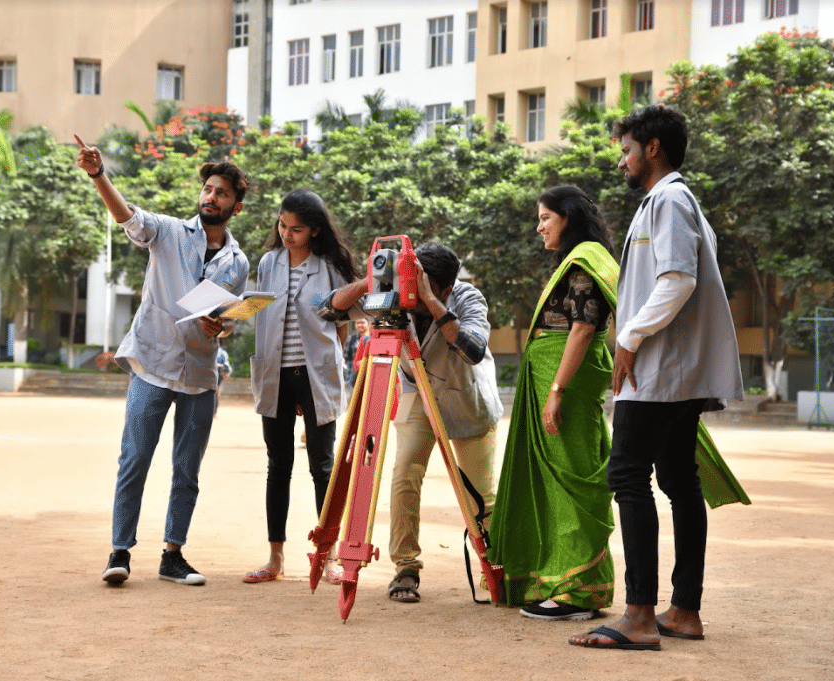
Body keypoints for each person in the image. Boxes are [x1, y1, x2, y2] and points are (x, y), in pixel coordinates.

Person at [569, 105, 743, 650]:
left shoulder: (669, 199)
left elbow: (677, 281)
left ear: (654, 148)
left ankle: (640, 616)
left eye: (626, 149)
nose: (621, 160)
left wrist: (628, 337)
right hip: (671, 373)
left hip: (659, 372)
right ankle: (683, 610)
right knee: (677, 483)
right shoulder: (668, 202)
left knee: (627, 478)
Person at [75, 134, 250, 588]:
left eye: (222, 193)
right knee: (134, 458)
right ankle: (119, 551)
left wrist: (223, 327)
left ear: (237, 206)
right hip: (153, 363)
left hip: (200, 373)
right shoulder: (169, 231)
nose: (212, 197)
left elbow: (228, 316)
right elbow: (127, 216)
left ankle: (173, 555)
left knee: (186, 469)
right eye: (208, 189)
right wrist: (99, 174)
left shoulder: (238, 261)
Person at [319, 241, 503, 603]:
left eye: (422, 285)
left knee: (480, 495)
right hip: (417, 392)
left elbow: (473, 350)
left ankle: (497, 565)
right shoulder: (389, 293)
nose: (411, 293)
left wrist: (431, 304)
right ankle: (406, 566)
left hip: (466, 399)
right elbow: (326, 310)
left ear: (447, 289)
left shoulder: (467, 298)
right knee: (405, 473)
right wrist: (370, 281)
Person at [488, 186, 618, 622]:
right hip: (553, 376)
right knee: (554, 478)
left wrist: (557, 390)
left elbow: (582, 328)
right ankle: (556, 579)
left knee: (570, 477)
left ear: (568, 217)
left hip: (565, 383)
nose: (539, 226)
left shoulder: (584, 263)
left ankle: (577, 591)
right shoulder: (581, 259)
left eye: (545, 217)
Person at [243, 188, 359, 584]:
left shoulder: (330, 266)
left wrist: (329, 370)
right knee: (279, 466)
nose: (287, 234)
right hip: (275, 374)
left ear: (314, 230)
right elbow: (258, 311)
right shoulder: (268, 263)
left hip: (316, 375)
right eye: (282, 225)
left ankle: (327, 557)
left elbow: (342, 322)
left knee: (322, 467)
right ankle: (275, 559)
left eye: (296, 229)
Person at [214, 341, 232, 416]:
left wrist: (227, 373)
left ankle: (213, 412)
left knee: (214, 392)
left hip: (217, 373)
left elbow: (227, 365)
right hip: (206, 372)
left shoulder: (222, 353)